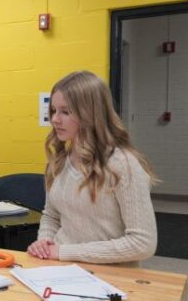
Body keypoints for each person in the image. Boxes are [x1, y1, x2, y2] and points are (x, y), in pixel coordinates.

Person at [27, 70, 157, 265]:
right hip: (61, 267)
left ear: (90, 114)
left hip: (111, 276)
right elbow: (51, 215)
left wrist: (64, 252)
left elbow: (142, 243)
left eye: (66, 111)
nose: (55, 119)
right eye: (54, 110)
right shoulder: (58, 161)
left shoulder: (123, 164)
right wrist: (44, 241)